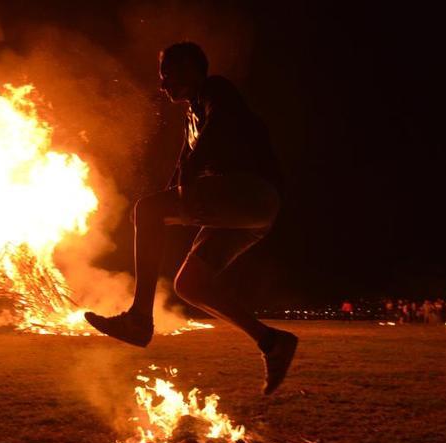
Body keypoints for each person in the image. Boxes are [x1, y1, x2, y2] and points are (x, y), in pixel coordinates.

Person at [83, 42, 297, 394]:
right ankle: (272, 342)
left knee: (146, 210)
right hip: (251, 213)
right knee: (190, 284)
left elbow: (217, 131)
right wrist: (172, 197)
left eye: (170, 73)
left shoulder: (216, 90)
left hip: (250, 193)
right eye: (162, 76)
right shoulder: (191, 117)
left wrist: (176, 192)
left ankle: (139, 318)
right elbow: (182, 168)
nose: (164, 83)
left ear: (195, 70)